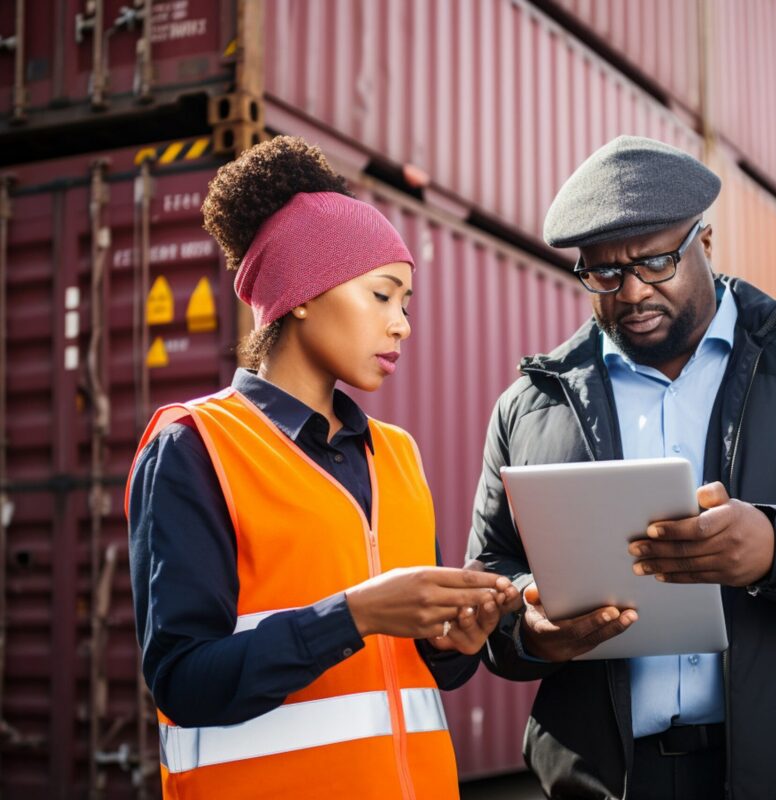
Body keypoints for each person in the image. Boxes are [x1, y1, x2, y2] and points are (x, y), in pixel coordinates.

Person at [467, 135, 776, 799]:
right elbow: (490, 575)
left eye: (656, 262)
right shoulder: (529, 406)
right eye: (605, 274)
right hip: (604, 782)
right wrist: (530, 630)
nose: (633, 292)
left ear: (704, 242)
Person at [126, 136, 519, 799]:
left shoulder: (398, 453)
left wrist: (455, 642)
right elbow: (183, 682)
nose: (402, 325)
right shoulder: (195, 446)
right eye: (382, 295)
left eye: (406, 303)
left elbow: (422, 677)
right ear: (302, 294)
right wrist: (354, 616)